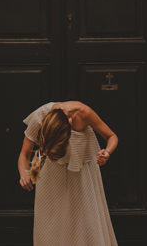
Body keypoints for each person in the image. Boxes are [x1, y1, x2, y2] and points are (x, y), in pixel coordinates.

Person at [17, 101, 119, 246]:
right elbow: (24, 154)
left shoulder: (84, 113)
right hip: (51, 172)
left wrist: (107, 152)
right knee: (51, 221)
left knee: (84, 221)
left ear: (70, 123)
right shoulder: (40, 116)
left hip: (81, 171)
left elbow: (112, 136)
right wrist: (24, 173)